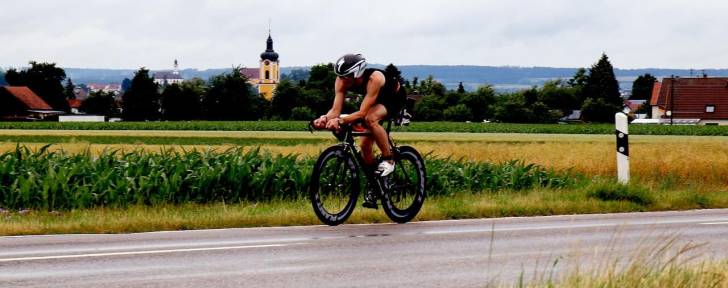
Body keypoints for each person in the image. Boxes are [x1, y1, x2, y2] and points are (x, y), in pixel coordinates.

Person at [312, 53, 406, 208]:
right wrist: (325, 118)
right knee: (364, 147)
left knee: (370, 119)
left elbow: (362, 113)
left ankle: (389, 159)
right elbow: (335, 110)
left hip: (393, 98)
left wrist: (340, 120)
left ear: (357, 73)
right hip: (374, 101)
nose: (342, 80)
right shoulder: (341, 80)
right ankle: (375, 184)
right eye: (340, 76)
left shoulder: (374, 79)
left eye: (346, 76)